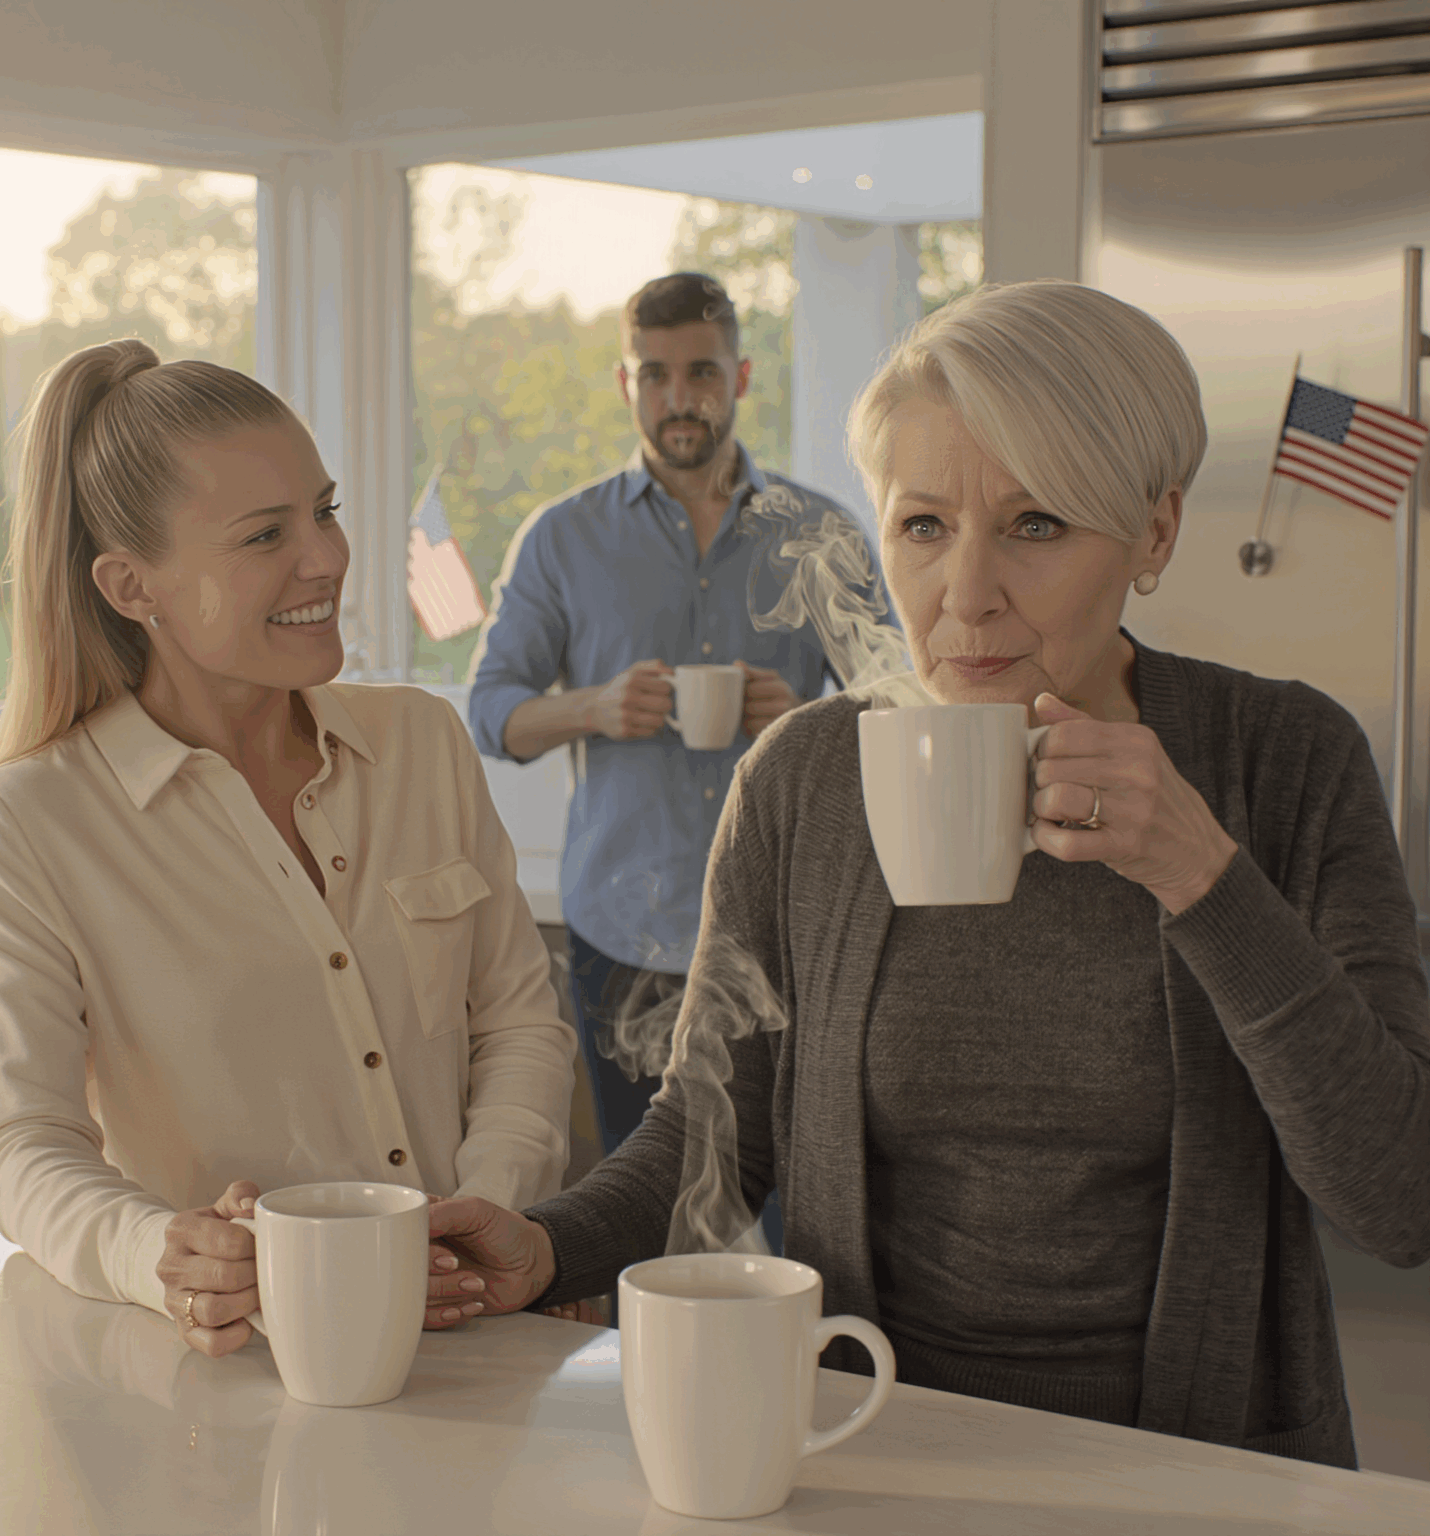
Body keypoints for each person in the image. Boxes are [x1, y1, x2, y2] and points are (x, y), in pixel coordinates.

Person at [425, 280, 1430, 1468]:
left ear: (1155, 532)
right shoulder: (804, 776)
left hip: (1202, 1460)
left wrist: (1203, 876)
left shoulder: (1287, 760)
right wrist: (543, 1247)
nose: (965, 597)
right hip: (873, 1443)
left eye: (1037, 525)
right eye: (923, 526)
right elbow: (712, 1127)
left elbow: (1397, 1199)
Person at [0, 338, 576, 1359]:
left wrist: (477, 1213)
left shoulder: (421, 743)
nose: (324, 558)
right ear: (131, 585)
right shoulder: (20, 827)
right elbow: (23, 1143)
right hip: (233, 1378)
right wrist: (159, 1253)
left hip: (478, 1332)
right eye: (263, 535)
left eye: (322, 511)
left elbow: (517, 1028)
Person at [467, 272, 880, 1192]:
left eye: (700, 371)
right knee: (638, 1205)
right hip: (623, 936)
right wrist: (594, 708)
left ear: (739, 377)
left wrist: (814, 722)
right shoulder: (560, 539)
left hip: (781, 933)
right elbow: (490, 711)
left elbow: (904, 710)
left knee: (784, 1209)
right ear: (626, 384)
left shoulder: (819, 531)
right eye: (654, 374)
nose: (678, 396)